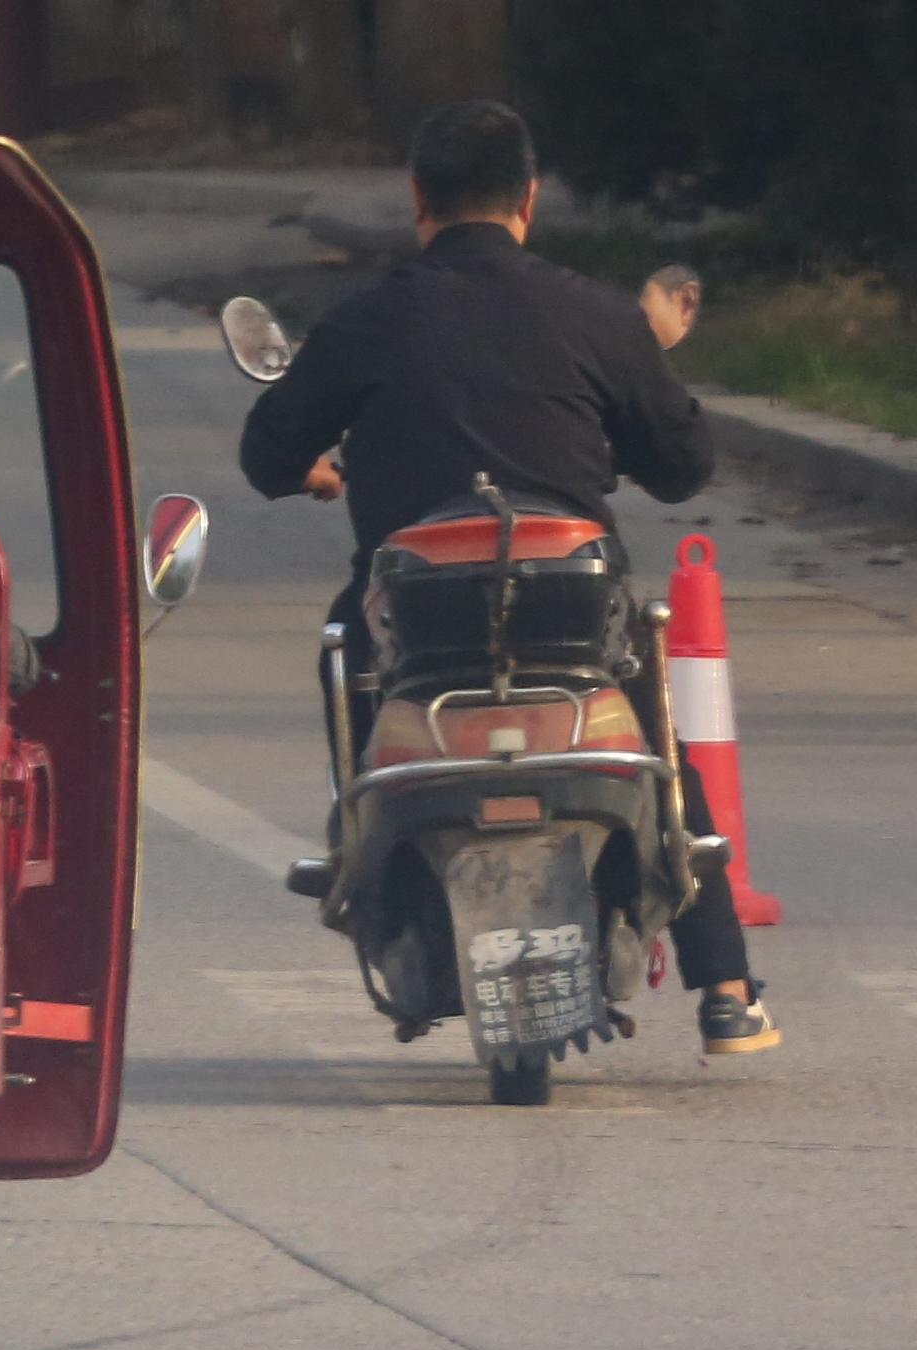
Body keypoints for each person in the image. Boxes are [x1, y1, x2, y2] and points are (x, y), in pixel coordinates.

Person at [236, 98, 771, 1055]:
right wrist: (639, 355)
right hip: (573, 615)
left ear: (416, 200)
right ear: (527, 199)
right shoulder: (597, 317)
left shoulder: (366, 319)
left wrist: (318, 472)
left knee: (347, 667)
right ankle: (724, 989)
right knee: (661, 753)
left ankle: (368, 866)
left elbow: (267, 453)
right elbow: (684, 467)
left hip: (412, 626)